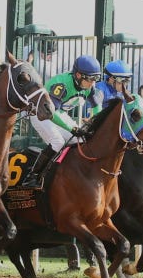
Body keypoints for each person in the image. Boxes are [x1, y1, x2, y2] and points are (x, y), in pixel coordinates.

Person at [24, 55, 102, 183]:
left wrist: (94, 122)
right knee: (58, 141)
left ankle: (69, 172)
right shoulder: (61, 84)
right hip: (42, 115)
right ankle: (33, 175)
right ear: (78, 75)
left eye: (96, 78)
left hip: (60, 114)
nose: (93, 83)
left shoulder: (89, 87)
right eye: (90, 78)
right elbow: (51, 113)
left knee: (80, 140)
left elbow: (97, 107)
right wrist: (73, 128)